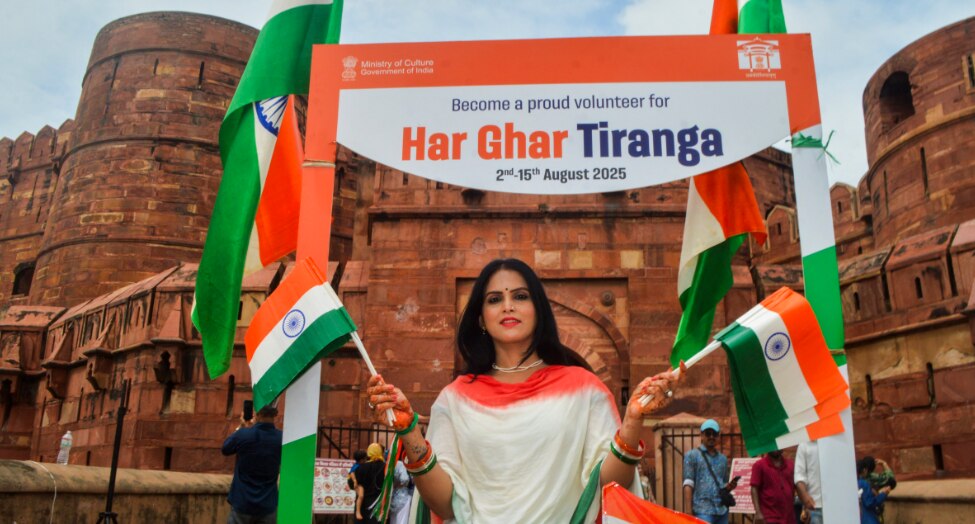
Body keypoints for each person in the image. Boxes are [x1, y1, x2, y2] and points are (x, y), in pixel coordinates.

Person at [366, 258, 682, 523]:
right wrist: (409, 432)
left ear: (538, 309)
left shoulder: (583, 388)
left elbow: (604, 487)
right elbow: (446, 504)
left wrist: (632, 422)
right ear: (481, 318)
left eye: (520, 296)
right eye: (494, 299)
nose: (508, 306)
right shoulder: (456, 397)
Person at [221, 405, 283, 524]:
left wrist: (242, 426)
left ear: (257, 413)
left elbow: (225, 449)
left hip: (242, 501)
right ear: (275, 415)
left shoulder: (243, 434)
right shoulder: (282, 438)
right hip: (267, 504)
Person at [683, 419, 738, 524]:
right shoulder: (692, 456)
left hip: (722, 511)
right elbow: (688, 484)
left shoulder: (723, 459)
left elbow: (723, 483)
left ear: (718, 436)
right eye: (708, 433)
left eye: (714, 434)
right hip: (702, 511)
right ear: (702, 435)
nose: (711, 437)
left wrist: (729, 487)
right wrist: (688, 511)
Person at [750, 449, 796, 524]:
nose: (775, 448)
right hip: (769, 516)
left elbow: (796, 485)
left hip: (789, 517)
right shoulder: (759, 465)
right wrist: (758, 512)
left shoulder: (790, 465)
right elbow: (754, 488)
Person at [352, 443, 385, 524]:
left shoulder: (361, 467)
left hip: (363, 503)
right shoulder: (385, 467)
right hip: (378, 503)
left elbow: (353, 483)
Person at [858, 456, 892, 524]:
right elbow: (869, 503)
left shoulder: (848, 484)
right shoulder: (864, 483)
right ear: (865, 470)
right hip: (868, 519)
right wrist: (883, 494)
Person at [794, 441, 822, 524]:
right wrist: (805, 498)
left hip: (837, 506)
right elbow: (799, 476)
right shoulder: (804, 445)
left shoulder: (836, 442)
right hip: (815, 507)